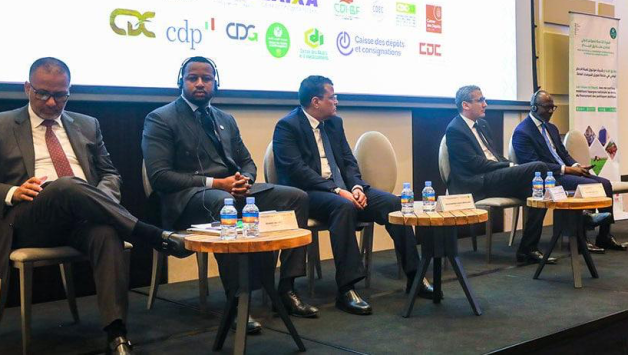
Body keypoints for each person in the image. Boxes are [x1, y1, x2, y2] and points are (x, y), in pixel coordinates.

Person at [0, 57, 186, 355]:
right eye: (43, 94)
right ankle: (149, 233)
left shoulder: (87, 124)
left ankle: (116, 333)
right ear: (27, 88)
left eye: (61, 95)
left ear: (69, 91)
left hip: (82, 218)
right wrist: (12, 191)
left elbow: (110, 174)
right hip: (30, 216)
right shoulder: (4, 124)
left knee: (106, 234)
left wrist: (100, 197)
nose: (52, 103)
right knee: (66, 185)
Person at [142, 57, 318, 334]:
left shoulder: (225, 119)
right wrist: (217, 183)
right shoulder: (161, 118)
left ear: (216, 83)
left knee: (295, 197)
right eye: (193, 78)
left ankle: (286, 288)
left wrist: (244, 179)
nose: (200, 83)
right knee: (223, 204)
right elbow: (160, 177)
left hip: (231, 191)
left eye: (207, 78)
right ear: (180, 82)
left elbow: (247, 162)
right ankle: (237, 303)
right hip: (188, 198)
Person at [272, 75, 433, 315]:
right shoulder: (287, 126)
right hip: (309, 194)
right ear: (316, 101)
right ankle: (346, 289)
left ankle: (415, 276)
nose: (336, 101)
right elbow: (296, 171)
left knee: (394, 204)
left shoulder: (334, 124)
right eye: (332, 97)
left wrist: (356, 187)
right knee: (343, 206)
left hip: (344, 190)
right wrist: (337, 190)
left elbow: (348, 161)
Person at [445, 85, 557, 265]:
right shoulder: (455, 129)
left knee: (538, 191)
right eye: (480, 100)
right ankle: (530, 248)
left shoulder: (482, 124)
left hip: (493, 176)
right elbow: (474, 164)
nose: (485, 104)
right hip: (476, 182)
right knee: (539, 167)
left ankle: (528, 249)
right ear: (465, 105)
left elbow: (494, 155)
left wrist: (509, 166)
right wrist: (510, 166)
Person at [512, 90, 626, 252]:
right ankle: (581, 239)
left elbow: (563, 154)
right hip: (550, 177)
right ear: (534, 107)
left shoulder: (551, 128)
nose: (551, 111)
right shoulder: (522, 132)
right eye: (547, 107)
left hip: (566, 172)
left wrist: (577, 165)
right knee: (586, 185)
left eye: (553, 107)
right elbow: (532, 164)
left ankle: (604, 236)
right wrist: (567, 170)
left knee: (605, 184)